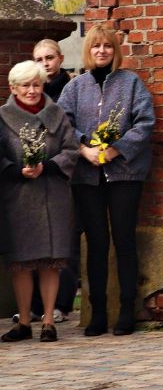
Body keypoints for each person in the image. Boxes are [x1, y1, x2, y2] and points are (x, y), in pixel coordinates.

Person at [59, 23, 155, 337]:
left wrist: (118, 149)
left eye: (108, 47)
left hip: (124, 173)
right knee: (96, 242)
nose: (102, 51)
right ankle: (98, 311)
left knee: (124, 240)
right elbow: (62, 123)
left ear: (115, 51)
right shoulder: (75, 86)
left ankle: (127, 309)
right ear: (89, 50)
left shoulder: (131, 84)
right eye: (97, 46)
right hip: (87, 176)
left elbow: (145, 122)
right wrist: (83, 149)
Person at [0, 61, 79, 343]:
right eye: (25, 86)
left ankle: (48, 320)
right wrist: (15, 170)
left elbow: (71, 150)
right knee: (21, 262)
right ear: (13, 88)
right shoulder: (2, 117)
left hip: (52, 196)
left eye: (36, 84)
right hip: (18, 198)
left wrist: (49, 166)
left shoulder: (57, 114)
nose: (32, 90)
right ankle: (23, 321)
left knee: (50, 260)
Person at [32, 38, 76, 319]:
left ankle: (61, 304)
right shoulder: (31, 91)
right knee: (36, 240)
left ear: (60, 58)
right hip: (34, 175)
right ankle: (37, 306)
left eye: (50, 58)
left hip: (62, 173)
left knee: (63, 240)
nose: (45, 64)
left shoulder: (70, 90)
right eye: (39, 59)